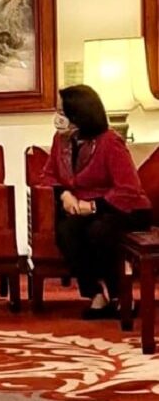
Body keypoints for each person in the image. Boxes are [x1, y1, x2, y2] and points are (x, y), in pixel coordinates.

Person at [42, 85, 152, 319]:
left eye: (62, 111)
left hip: (123, 208)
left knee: (98, 232)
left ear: (79, 113)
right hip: (83, 207)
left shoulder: (109, 141)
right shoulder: (60, 141)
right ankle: (95, 294)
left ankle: (119, 295)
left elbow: (128, 189)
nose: (57, 117)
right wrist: (65, 194)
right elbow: (48, 175)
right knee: (67, 231)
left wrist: (92, 206)